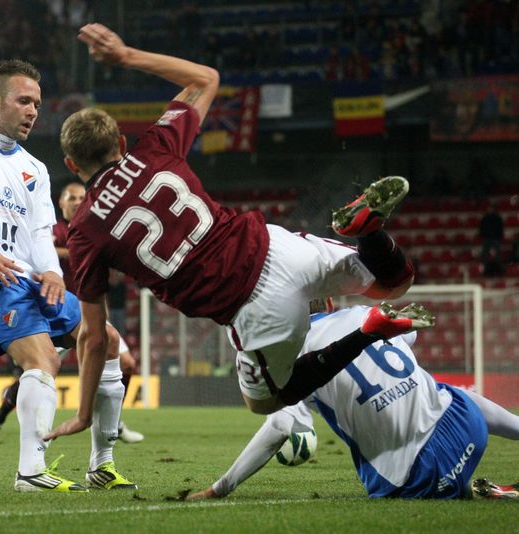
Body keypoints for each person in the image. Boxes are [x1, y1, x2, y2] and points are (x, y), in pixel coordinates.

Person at [46, 23, 421, 441]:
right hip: (276, 246)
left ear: (72, 165)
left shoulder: (84, 231)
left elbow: (94, 338)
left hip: (252, 307)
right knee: (394, 282)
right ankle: (369, 234)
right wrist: (125, 56)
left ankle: (366, 332)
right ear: (120, 139)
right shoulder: (154, 146)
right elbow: (206, 78)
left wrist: (82, 413)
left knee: (266, 402)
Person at [0, 59, 134, 492]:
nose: (34, 110)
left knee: (106, 341)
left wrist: (52, 272)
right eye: (24, 101)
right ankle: (31, 472)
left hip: (29, 277)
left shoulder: (35, 167)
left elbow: (38, 232)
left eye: (37, 102)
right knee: (44, 359)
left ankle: (101, 464)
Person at [187, 301, 519, 500]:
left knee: (425, 466)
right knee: (445, 391)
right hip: (467, 426)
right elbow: (409, 336)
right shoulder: (362, 312)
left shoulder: (288, 357)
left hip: (419, 473)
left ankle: (469, 489)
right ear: (328, 303)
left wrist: (220, 488)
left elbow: (279, 425)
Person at [54, 181, 144, 443]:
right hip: (61, 311)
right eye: (72, 197)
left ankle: (114, 422)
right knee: (42, 366)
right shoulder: (56, 230)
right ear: (61, 202)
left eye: (83, 197)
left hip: (91, 311)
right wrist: (82, 251)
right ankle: (1, 417)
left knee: (126, 364)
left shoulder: (94, 228)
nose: (78, 201)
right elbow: (48, 251)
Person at [478, 202, 505, 276]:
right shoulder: (484, 218)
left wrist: (499, 236)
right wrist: (483, 236)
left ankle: (499, 271)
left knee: (497, 256)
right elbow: (481, 228)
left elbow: (500, 228)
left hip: (495, 239)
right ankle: (485, 271)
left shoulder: (497, 218)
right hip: (487, 238)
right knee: (484, 255)